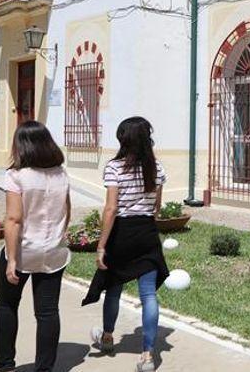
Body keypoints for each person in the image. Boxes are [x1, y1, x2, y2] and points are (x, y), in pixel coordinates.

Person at [83, 116, 169, 372]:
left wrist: (101, 245)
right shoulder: (157, 168)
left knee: (114, 288)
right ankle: (147, 355)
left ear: (123, 139)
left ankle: (107, 338)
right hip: (146, 232)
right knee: (148, 295)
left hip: (122, 233)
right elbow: (156, 208)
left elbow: (110, 209)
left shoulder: (114, 168)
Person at [0, 121, 71, 372]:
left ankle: (6, 365)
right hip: (53, 251)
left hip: (23, 250)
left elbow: (14, 219)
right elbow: (67, 212)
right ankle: (44, 369)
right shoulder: (61, 174)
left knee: (7, 306)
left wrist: (12, 261)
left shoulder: (16, 175)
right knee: (48, 312)